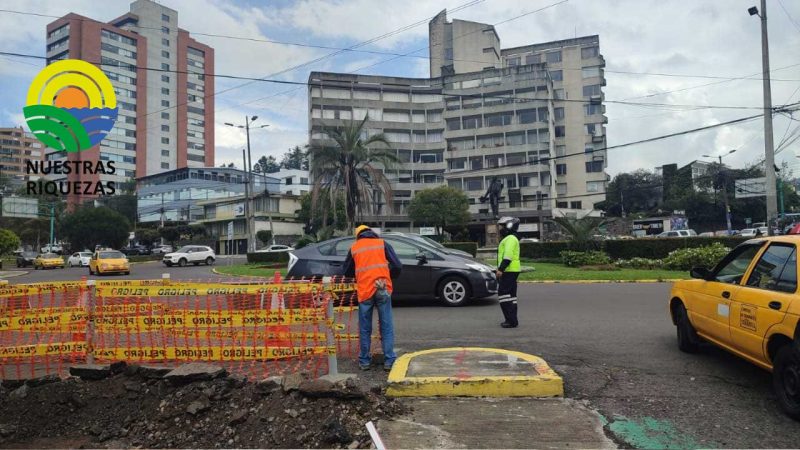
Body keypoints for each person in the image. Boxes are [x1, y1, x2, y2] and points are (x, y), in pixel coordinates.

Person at [344, 225, 402, 371]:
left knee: (365, 328)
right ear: (371, 233)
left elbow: (346, 271)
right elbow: (397, 266)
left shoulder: (355, 248)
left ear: (358, 236)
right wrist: (388, 275)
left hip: (365, 291)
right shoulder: (382, 244)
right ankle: (389, 360)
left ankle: (364, 361)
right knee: (386, 325)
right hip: (382, 287)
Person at [496, 216, 521, 328]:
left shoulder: (510, 238)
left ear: (509, 226)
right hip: (512, 270)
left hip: (508, 270)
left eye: (502, 226)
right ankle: (513, 320)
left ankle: (510, 321)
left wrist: (501, 269)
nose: (501, 229)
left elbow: (508, 255)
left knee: (503, 294)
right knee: (511, 296)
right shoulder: (512, 238)